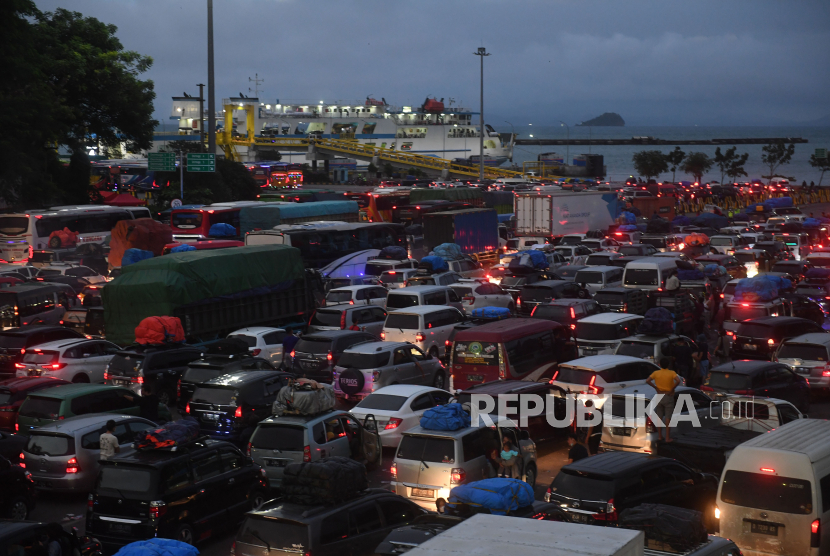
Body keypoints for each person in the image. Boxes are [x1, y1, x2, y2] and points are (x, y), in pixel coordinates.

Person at [646, 357, 683, 442]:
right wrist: (672, 389)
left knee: (659, 416)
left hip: (659, 395)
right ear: (668, 365)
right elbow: (678, 381)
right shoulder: (671, 373)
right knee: (668, 417)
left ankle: (659, 436)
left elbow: (648, 380)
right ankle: (667, 437)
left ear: (659, 365)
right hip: (668, 396)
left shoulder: (656, 373)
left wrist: (656, 388)